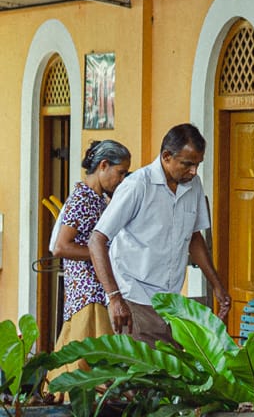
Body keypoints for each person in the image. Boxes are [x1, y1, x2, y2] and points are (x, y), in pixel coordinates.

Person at [89, 123, 231, 347]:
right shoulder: (137, 185)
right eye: (187, 164)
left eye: (197, 165)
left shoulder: (193, 185)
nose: (194, 171)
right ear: (166, 157)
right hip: (134, 297)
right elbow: (97, 239)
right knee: (143, 368)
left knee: (170, 366)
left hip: (170, 300)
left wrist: (217, 285)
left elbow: (194, 237)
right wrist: (114, 297)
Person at [51, 139, 131, 349]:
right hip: (87, 293)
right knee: (87, 359)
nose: (122, 180)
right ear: (103, 165)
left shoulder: (98, 198)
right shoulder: (82, 198)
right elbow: (61, 247)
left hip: (97, 291)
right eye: (120, 173)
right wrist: (102, 253)